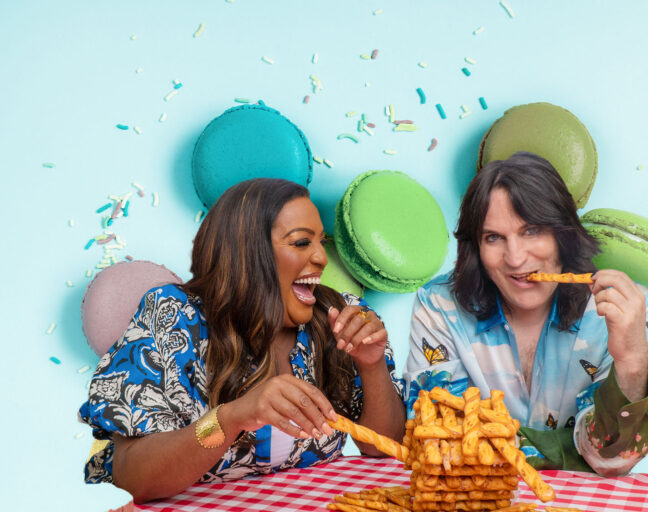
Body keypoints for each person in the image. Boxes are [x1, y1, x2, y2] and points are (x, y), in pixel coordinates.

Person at [79, 178, 405, 503]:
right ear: (247, 252)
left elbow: (383, 447)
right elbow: (134, 477)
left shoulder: (337, 315)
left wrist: (371, 364)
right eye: (301, 242)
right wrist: (232, 417)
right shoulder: (173, 317)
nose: (321, 257)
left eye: (321, 242)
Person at [403, 152, 648, 477]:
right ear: (476, 249)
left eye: (532, 231)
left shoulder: (626, 309)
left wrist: (632, 362)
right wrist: (568, 449)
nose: (515, 258)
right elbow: (439, 439)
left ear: (563, 234)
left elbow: (610, 457)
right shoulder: (439, 305)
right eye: (493, 238)